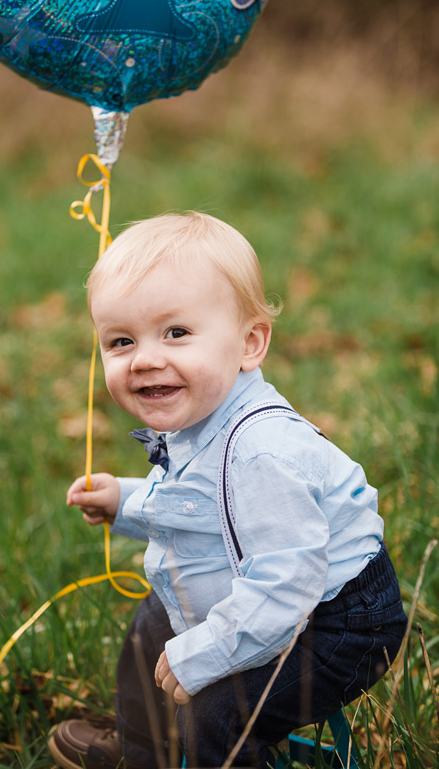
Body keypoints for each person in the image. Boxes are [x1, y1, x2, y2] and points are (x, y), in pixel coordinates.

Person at [47, 212, 406, 769]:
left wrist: (208, 652)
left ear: (250, 344)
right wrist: (125, 500)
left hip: (337, 623)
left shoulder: (260, 452)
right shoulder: (204, 418)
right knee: (152, 626)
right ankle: (147, 754)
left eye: (176, 333)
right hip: (264, 584)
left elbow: (288, 586)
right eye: (120, 341)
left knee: (215, 708)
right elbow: (196, 507)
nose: (144, 358)